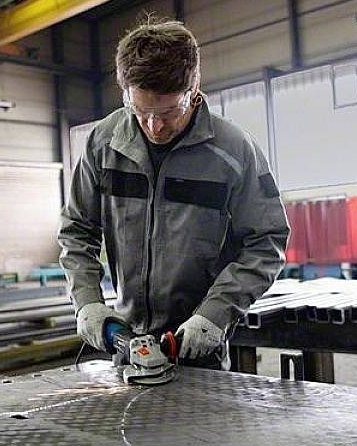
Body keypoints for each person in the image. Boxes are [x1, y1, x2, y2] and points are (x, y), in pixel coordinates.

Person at [58, 19, 288, 369]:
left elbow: (266, 241)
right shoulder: (103, 144)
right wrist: (87, 301)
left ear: (193, 89)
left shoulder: (233, 152)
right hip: (127, 343)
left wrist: (215, 314)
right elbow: (77, 230)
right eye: (140, 111)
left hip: (198, 343)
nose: (154, 126)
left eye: (168, 112)